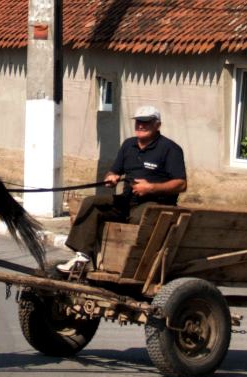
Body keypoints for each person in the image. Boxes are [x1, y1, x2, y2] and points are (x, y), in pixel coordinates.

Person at [61, 105, 187, 269]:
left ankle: (132, 263)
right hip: (127, 200)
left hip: (156, 203)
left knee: (141, 216)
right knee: (91, 203)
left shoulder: (170, 149)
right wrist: (111, 178)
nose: (141, 125)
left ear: (158, 125)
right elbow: (113, 171)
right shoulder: (128, 145)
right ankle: (82, 256)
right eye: (138, 122)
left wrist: (150, 188)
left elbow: (181, 184)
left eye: (146, 122)